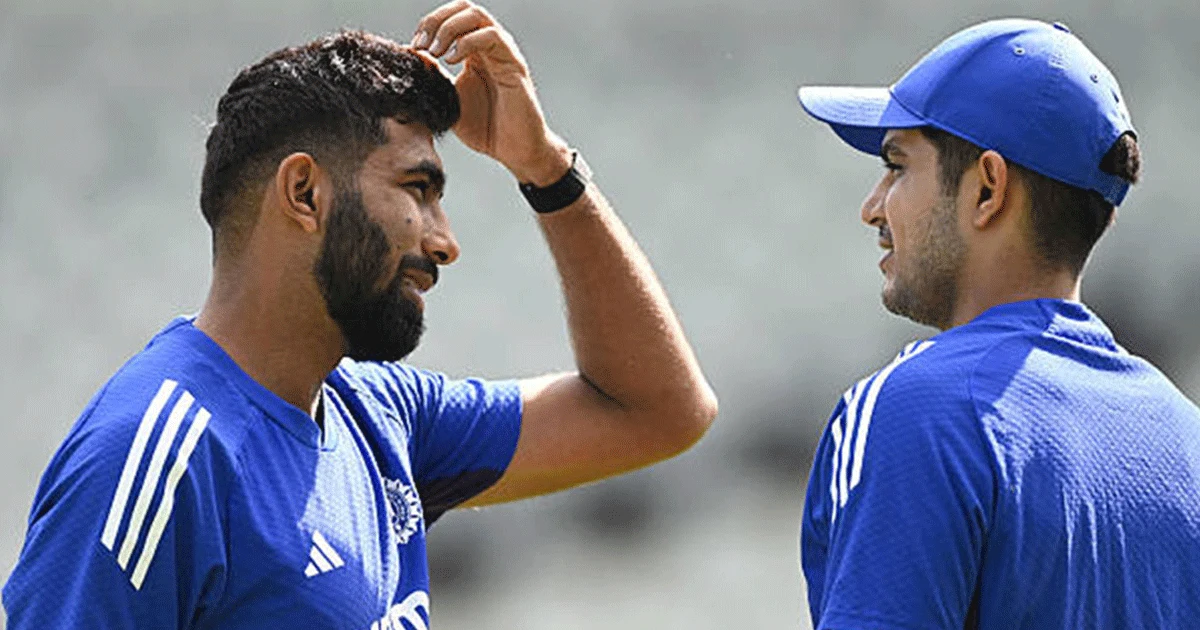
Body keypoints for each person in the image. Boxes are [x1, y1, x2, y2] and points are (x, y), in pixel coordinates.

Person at [2, 2, 718, 628]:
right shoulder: (157, 459)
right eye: (417, 189)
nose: (445, 241)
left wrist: (546, 167)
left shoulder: (379, 418)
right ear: (305, 193)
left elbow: (658, 410)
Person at [796, 18, 1200, 629]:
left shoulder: (917, 410)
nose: (872, 206)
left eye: (897, 166)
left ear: (988, 188)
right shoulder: (1187, 440)